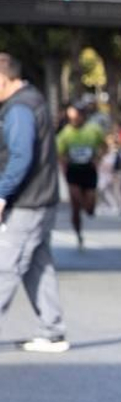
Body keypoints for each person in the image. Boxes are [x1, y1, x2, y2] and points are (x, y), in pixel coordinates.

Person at [0, 55, 68, 353]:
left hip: (28, 202)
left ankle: (53, 331)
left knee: (6, 265)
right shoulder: (33, 99)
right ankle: (52, 331)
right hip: (41, 198)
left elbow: (20, 156)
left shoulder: (19, 108)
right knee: (38, 266)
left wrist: (2, 193)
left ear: (3, 79)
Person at [56, 103, 105, 249]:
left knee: (89, 208)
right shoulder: (65, 133)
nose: (74, 121)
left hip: (88, 170)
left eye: (76, 117)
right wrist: (64, 164)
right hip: (74, 171)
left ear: (82, 116)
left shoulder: (93, 130)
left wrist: (98, 158)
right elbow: (60, 153)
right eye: (70, 118)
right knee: (75, 203)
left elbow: (104, 146)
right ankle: (78, 233)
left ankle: (89, 206)